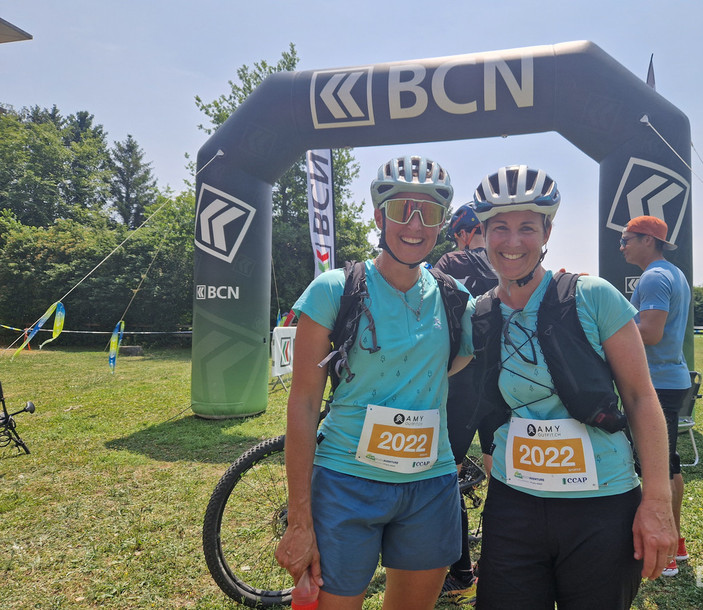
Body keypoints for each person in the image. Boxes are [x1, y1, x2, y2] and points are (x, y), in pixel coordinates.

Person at [274, 155, 475, 610]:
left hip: (430, 483)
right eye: (404, 209)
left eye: (430, 213)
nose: (416, 224)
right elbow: (304, 404)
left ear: (443, 223)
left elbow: (452, 364)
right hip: (347, 479)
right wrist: (300, 518)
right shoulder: (333, 289)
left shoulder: (455, 298)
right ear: (380, 216)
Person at [470, 165, 677, 609]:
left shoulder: (592, 296)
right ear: (482, 235)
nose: (512, 241)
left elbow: (641, 398)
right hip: (514, 503)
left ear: (547, 231)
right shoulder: (479, 313)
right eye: (499, 228)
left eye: (527, 227)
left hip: (601, 503)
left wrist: (657, 501)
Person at [620, 215, 692, 578]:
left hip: (657, 382)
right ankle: (674, 542)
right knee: (668, 463)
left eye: (627, 239)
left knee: (651, 466)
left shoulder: (653, 277)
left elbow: (649, 333)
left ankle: (661, 547)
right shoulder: (672, 273)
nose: (622, 246)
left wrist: (608, 322)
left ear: (648, 240)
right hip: (672, 377)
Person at [434, 202, 499, 603]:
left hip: (462, 382)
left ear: (460, 233)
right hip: (505, 380)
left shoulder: (452, 261)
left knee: (446, 474)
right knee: (502, 473)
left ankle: (460, 573)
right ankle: (497, 562)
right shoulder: (505, 263)